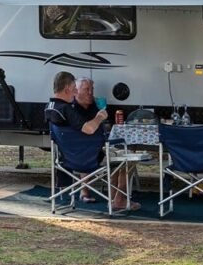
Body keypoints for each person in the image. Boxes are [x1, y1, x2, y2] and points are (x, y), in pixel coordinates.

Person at [45, 71, 136, 210]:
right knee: (127, 158)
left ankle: (114, 199)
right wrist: (99, 117)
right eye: (74, 89)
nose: (75, 92)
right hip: (87, 158)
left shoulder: (50, 107)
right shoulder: (67, 109)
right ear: (67, 89)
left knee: (116, 157)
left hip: (66, 158)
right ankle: (118, 200)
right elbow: (89, 129)